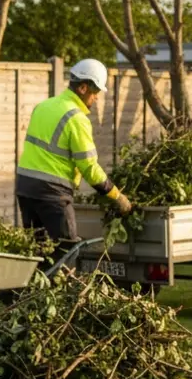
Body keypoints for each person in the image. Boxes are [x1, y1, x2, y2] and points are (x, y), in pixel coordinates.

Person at [15, 59, 132, 247]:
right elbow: (89, 168)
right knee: (66, 249)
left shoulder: (43, 106)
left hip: (25, 186)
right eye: (95, 92)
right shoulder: (76, 118)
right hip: (52, 193)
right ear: (83, 88)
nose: (97, 97)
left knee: (38, 250)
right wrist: (117, 196)